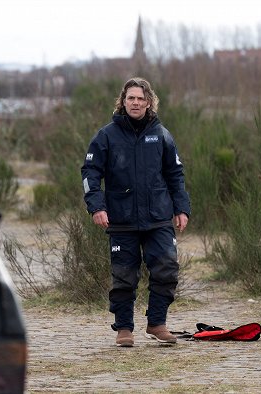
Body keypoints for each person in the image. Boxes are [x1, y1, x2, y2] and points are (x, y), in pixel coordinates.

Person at [81, 77, 190, 347]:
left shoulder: (161, 134)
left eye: (141, 98)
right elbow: (90, 173)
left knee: (166, 269)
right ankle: (124, 329)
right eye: (131, 98)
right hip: (121, 218)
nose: (136, 102)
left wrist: (181, 208)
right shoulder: (106, 135)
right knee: (124, 277)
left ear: (149, 102)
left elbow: (175, 174)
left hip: (158, 217)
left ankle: (157, 323)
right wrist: (97, 206)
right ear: (123, 101)